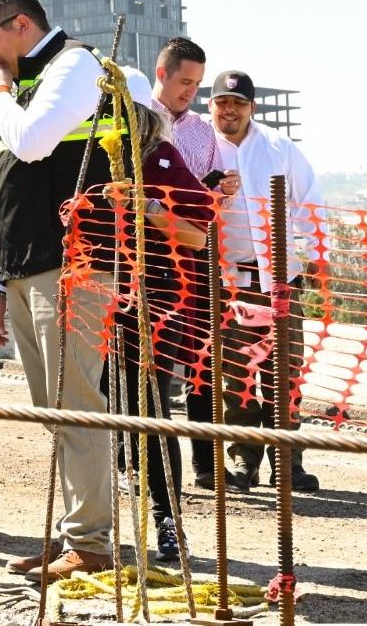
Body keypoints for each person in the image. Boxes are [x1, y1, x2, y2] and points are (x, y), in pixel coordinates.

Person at [0, 0, 118, 580]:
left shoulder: (73, 65)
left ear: (21, 25)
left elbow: (32, 144)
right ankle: (74, 537)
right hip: (29, 266)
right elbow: (8, 189)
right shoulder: (26, 86)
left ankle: (92, 543)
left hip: (75, 265)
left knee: (76, 402)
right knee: (53, 408)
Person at [103, 68, 217, 562]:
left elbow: (198, 233)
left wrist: (146, 206)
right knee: (109, 404)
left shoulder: (161, 159)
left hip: (158, 300)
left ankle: (168, 522)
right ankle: (95, 527)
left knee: (150, 410)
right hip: (98, 297)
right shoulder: (86, 161)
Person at [209, 70, 326, 493]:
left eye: (238, 103)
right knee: (236, 377)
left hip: (281, 281)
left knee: (285, 374)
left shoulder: (279, 147)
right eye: (223, 102)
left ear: (251, 107)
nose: (230, 110)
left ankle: (288, 464)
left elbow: (309, 201)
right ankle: (243, 462)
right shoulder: (203, 148)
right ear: (212, 105)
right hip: (229, 282)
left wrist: (316, 257)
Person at [149, 37, 237, 490]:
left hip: (196, 255)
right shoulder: (135, 119)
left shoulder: (204, 132)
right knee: (148, 366)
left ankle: (207, 465)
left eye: (197, 84)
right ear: (161, 73)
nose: (191, 92)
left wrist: (222, 187)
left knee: (202, 358)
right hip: (144, 258)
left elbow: (207, 194)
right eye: (185, 81)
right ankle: (141, 466)